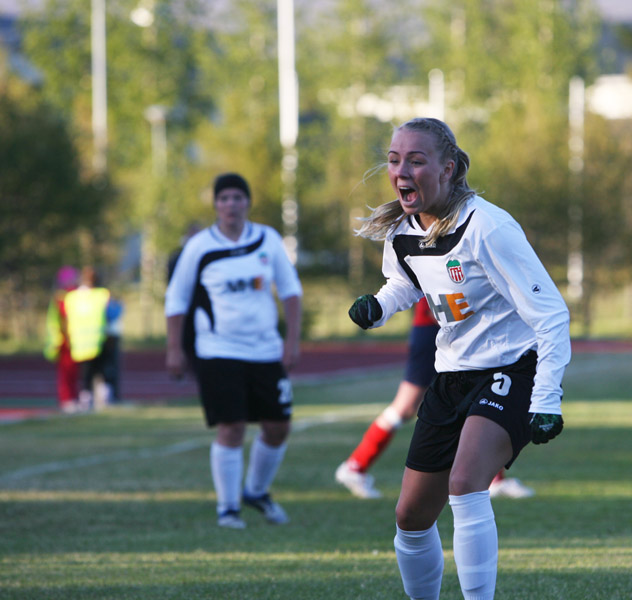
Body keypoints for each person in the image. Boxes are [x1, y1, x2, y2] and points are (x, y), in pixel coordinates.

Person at [348, 117, 570, 599]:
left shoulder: (488, 226)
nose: (402, 170)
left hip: (511, 370)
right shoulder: (402, 231)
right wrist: (380, 306)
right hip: (450, 377)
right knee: (409, 516)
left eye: (416, 160)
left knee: (466, 483)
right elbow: (406, 281)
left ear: (448, 169)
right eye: (394, 159)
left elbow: (551, 314)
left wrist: (547, 398)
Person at [165, 172, 303, 530]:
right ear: (215, 204)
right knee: (231, 427)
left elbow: (290, 291)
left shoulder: (267, 239)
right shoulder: (199, 247)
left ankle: (255, 491)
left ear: (247, 202)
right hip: (218, 350)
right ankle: (228, 508)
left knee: (278, 426)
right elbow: (176, 299)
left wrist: (291, 342)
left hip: (265, 350)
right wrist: (174, 349)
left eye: (237, 198)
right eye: (224, 198)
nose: (230, 204)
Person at [336, 297, 535, 500]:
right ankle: (356, 466)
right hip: (438, 327)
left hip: (454, 326)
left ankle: (495, 480)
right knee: (406, 406)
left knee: (480, 399)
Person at [64, 266, 111, 411]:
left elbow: (66, 318)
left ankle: (86, 399)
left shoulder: (71, 297)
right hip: (98, 339)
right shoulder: (102, 294)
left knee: (86, 372)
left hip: (79, 342)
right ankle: (103, 399)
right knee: (101, 370)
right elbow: (113, 312)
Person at [44, 266, 80, 413]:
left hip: (70, 341)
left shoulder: (64, 298)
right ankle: (68, 400)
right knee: (68, 374)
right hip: (66, 342)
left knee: (69, 374)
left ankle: (69, 399)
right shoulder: (64, 299)